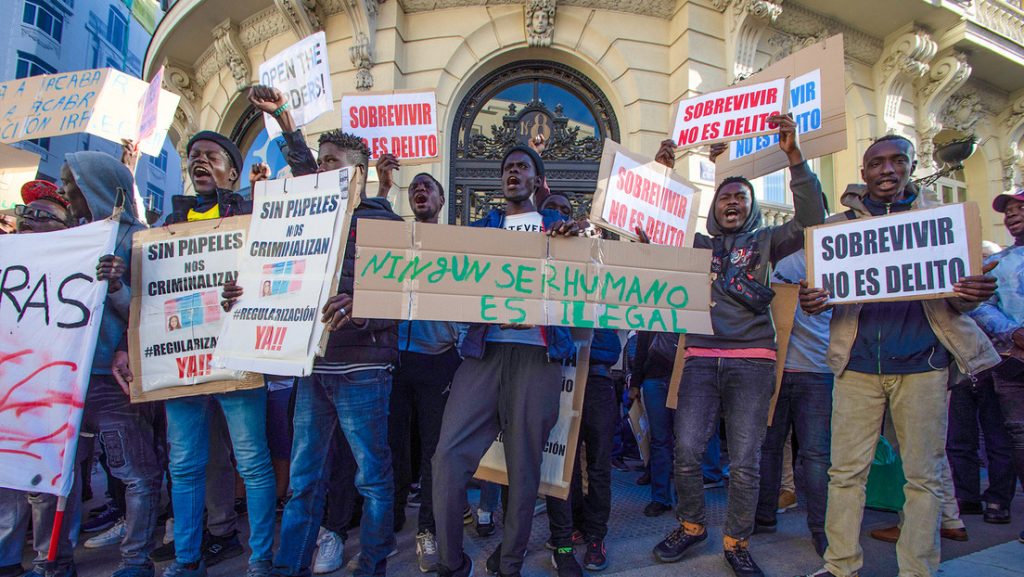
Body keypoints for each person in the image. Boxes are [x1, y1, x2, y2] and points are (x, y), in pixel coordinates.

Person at [794, 134, 1000, 577]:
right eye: (877, 163)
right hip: (857, 366)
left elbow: (957, 297)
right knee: (845, 473)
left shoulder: (944, 222)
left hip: (923, 366)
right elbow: (821, 293)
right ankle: (840, 565)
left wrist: (973, 295)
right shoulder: (837, 228)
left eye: (897, 161)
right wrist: (813, 301)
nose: (887, 170)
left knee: (922, 478)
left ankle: (918, 569)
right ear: (863, 172)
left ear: (910, 166)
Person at [651, 114, 825, 577]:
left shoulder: (768, 242)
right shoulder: (696, 245)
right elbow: (651, 229)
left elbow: (812, 219)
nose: (732, 202)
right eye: (725, 197)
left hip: (753, 363)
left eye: (741, 198)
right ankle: (691, 526)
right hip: (701, 361)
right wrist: (661, 174)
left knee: (745, 463)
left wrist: (794, 156)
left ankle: (736, 540)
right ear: (715, 207)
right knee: (687, 451)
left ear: (751, 208)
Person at [241, 84, 403, 577]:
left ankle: (373, 561)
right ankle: (289, 566)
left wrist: (363, 306)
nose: (318, 169)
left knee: (371, 478)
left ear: (354, 172)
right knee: (306, 478)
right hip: (314, 367)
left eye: (331, 161)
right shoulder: (308, 214)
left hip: (364, 370)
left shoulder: (383, 221)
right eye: (319, 160)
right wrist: (286, 120)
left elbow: (403, 299)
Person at [432, 145, 578, 577]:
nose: (513, 173)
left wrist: (576, 242)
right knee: (447, 457)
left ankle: (509, 563)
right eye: (507, 168)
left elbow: (586, 289)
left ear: (538, 180)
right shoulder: (480, 230)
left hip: (538, 356)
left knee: (525, 466)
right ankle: (450, 562)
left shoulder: (561, 229)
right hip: (484, 352)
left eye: (522, 167)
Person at [159, 131, 276, 577]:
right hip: (182, 358)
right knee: (185, 464)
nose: (199, 162)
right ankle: (188, 559)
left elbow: (272, 275)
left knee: (251, 460)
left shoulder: (253, 216)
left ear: (233, 170)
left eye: (211, 156)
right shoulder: (170, 221)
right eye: (193, 157)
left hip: (237, 355)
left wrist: (246, 289)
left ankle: (260, 558)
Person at [375, 166, 466, 573]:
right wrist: (383, 187)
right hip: (396, 359)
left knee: (433, 451)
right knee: (392, 445)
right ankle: (391, 519)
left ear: (442, 201)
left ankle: (427, 530)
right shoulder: (397, 242)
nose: (420, 191)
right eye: (414, 188)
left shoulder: (455, 245)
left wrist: (458, 341)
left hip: (439, 360)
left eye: (428, 187)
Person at [0, 181, 79, 577]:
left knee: (43, 482)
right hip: (7, 383)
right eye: (26, 212)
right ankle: (7, 560)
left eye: (44, 216)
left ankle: (53, 561)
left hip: (50, 386)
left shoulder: (77, 266)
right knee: (6, 478)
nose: (30, 220)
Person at [754, 249, 833, 558]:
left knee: (775, 449)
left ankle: (768, 518)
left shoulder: (786, 265)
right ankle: (820, 530)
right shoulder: (840, 259)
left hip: (801, 369)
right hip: (808, 369)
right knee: (812, 454)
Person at [968, 188, 1024, 543]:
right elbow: (980, 304)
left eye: (1020, 208)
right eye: (1010, 210)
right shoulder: (998, 262)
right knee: (1017, 438)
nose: (1013, 215)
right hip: (1013, 362)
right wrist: (1012, 331)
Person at [545, 329, 623, 573]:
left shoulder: (602, 302)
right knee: (563, 465)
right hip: (565, 382)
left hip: (597, 384)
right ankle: (572, 528)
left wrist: (575, 347)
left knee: (598, 466)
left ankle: (596, 536)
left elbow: (611, 350)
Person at [628, 332, 678, 518]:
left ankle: (682, 501)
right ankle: (661, 498)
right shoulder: (656, 306)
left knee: (681, 443)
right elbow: (642, 345)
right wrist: (635, 383)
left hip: (681, 375)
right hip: (655, 377)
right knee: (660, 441)